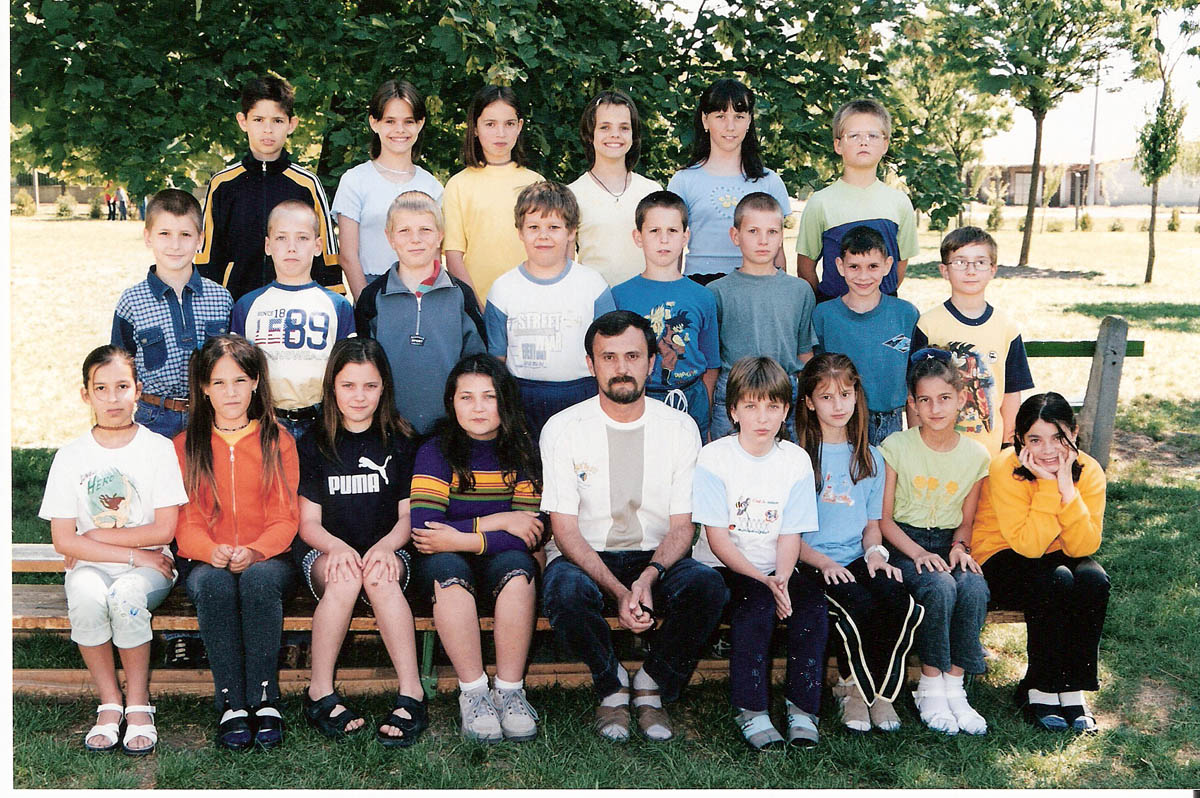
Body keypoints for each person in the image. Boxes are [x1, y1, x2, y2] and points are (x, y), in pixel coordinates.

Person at [540, 310, 727, 743]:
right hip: (586, 554)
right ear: (590, 365)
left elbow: (682, 527)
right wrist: (620, 591)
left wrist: (647, 578)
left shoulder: (679, 428)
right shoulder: (563, 429)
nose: (621, 368)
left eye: (632, 356)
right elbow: (564, 530)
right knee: (564, 592)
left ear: (651, 362)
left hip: (656, 556)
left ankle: (651, 683)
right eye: (608, 357)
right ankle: (611, 685)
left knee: (708, 587)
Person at [39, 346, 186, 755]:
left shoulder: (158, 449)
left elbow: (164, 528)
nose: (113, 398)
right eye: (100, 388)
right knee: (87, 596)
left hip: (152, 569)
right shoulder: (70, 456)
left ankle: (138, 704)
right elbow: (63, 540)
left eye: (122, 386)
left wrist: (94, 538)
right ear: (85, 394)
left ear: (138, 389)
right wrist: (133, 554)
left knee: (125, 596)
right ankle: (109, 702)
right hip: (109, 563)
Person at [691, 356, 829, 749]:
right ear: (733, 411)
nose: (762, 417)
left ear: (786, 410)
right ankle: (751, 709)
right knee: (757, 607)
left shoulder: (795, 460)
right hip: (726, 567)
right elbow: (717, 537)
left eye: (772, 406)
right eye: (751, 406)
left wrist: (781, 579)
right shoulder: (714, 457)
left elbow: (790, 532)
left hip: (778, 566)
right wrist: (763, 582)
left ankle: (803, 708)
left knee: (812, 608)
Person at [294, 338, 427, 747]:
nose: (359, 396)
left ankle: (412, 693)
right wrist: (336, 548)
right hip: (327, 550)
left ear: (384, 387)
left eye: (370, 386)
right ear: (332, 387)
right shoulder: (314, 442)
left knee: (381, 577)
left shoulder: (402, 440)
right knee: (346, 576)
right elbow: (308, 523)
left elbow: (407, 516)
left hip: (389, 546)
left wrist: (386, 547)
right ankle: (319, 690)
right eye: (348, 385)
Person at [173, 335, 299, 750]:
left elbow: (285, 516)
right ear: (204, 388)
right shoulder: (185, 446)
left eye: (240, 381)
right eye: (219, 382)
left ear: (256, 383)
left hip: (269, 557)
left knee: (258, 582)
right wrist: (211, 551)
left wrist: (256, 550)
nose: (231, 392)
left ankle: (264, 698)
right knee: (214, 585)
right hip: (206, 559)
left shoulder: (277, 440)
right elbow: (186, 521)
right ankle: (230, 701)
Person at [409, 354, 543, 743]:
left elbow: (529, 533)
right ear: (451, 402)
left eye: (489, 396)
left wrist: (463, 537)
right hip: (444, 563)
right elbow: (426, 531)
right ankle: (474, 693)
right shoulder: (435, 450)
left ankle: (510, 691)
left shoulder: (523, 449)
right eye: (466, 397)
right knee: (448, 570)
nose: (478, 407)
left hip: (498, 560)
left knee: (519, 568)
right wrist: (499, 521)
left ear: (506, 400)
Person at [795, 353, 923, 733]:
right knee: (858, 605)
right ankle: (852, 690)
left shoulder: (871, 458)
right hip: (812, 562)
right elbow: (788, 536)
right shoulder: (798, 458)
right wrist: (823, 563)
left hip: (856, 557)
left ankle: (879, 693)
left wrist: (875, 555)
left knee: (898, 599)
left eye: (845, 395)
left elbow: (871, 525)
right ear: (809, 402)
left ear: (857, 396)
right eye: (826, 397)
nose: (838, 405)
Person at [973, 392, 1108, 732]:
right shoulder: (1005, 468)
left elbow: (1083, 546)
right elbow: (1029, 546)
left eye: (1058, 437)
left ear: (1074, 433)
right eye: (1035, 439)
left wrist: (1068, 490)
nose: (1047, 450)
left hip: (1056, 553)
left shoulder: (1090, 471)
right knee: (1056, 580)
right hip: (1000, 555)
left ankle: (1072, 688)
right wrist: (1049, 486)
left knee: (1093, 580)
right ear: (1019, 439)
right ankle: (1041, 688)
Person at [879, 349, 991, 735]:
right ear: (912, 404)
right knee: (939, 586)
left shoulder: (976, 456)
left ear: (961, 398)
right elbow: (884, 519)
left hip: (948, 543)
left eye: (944, 398)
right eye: (924, 400)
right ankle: (929, 685)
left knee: (973, 586)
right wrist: (918, 553)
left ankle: (955, 688)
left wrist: (960, 548)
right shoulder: (897, 446)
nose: (935, 408)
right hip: (904, 543)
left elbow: (966, 521)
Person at [484, 181, 616, 441]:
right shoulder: (503, 289)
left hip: (581, 393)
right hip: (523, 396)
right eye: (533, 227)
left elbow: (608, 351)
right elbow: (497, 359)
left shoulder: (593, 285)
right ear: (520, 232)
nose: (543, 236)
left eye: (554, 227)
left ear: (571, 232)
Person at [195, 75, 340, 301]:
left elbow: (327, 253)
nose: (268, 130)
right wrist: (208, 304)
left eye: (277, 121)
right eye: (259, 119)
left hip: (297, 304)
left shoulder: (306, 184)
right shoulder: (223, 184)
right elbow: (208, 255)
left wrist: (333, 298)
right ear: (243, 121)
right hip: (237, 304)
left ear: (292, 124)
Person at [355, 191, 486, 436]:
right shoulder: (373, 297)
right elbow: (362, 369)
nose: (415, 239)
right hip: (389, 428)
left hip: (450, 429)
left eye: (425, 230)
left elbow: (478, 364)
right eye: (404, 231)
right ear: (390, 238)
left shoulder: (460, 295)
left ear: (440, 235)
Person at [112, 188, 233, 439]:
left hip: (211, 416)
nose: (175, 245)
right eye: (164, 234)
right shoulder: (132, 301)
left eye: (185, 234)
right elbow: (119, 370)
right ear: (148, 237)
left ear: (200, 240)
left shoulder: (221, 298)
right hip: (154, 417)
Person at [231, 200, 356, 441]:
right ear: (268, 246)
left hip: (321, 422)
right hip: (266, 421)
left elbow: (347, 372)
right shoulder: (247, 305)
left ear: (318, 246)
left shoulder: (337, 306)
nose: (291, 248)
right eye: (281, 238)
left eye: (302, 238)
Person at [912, 226, 1035, 457]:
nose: (970, 271)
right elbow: (914, 391)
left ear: (993, 269)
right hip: (938, 451)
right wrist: (918, 444)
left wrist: (1008, 446)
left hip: (989, 453)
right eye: (960, 262)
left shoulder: (1007, 327)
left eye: (980, 262)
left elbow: (1011, 394)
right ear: (944, 270)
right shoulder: (928, 325)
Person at [707, 192, 816, 441]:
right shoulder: (716, 292)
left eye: (772, 232)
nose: (763, 240)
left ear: (781, 237)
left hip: (784, 394)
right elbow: (712, 361)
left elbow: (804, 353)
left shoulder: (799, 291)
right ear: (735, 235)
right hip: (734, 393)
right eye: (753, 231)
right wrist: (710, 410)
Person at [612, 190, 719, 439]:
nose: (663, 240)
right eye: (654, 231)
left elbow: (711, 363)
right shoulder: (619, 296)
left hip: (691, 397)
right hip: (641, 398)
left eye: (672, 231)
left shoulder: (703, 296)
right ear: (638, 237)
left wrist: (705, 409)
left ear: (685, 237)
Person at [795, 98, 918, 303]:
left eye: (873, 135)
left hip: (883, 312)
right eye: (853, 136)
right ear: (838, 145)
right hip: (834, 312)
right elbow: (805, 268)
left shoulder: (899, 202)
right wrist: (828, 308)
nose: (864, 142)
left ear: (885, 144)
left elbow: (899, 265)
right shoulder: (820, 202)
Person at [667, 79, 791, 281]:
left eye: (739, 116)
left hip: (755, 284)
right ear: (705, 120)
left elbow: (778, 253)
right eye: (720, 116)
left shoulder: (769, 182)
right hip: (700, 284)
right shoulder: (684, 181)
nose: (730, 126)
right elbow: (674, 250)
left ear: (749, 121)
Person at [332, 79, 444, 301]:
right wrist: (367, 306)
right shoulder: (355, 181)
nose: (399, 130)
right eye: (390, 121)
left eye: (408, 121)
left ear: (420, 123)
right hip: (371, 288)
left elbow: (435, 256)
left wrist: (424, 301)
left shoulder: (432, 186)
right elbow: (348, 256)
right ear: (374, 123)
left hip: (420, 292)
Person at [811, 225, 919, 446]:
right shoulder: (824, 315)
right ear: (840, 266)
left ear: (888, 265)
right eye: (854, 266)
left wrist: (916, 436)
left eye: (873, 266)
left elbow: (915, 380)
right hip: (840, 422)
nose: (863, 276)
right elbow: (814, 375)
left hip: (890, 422)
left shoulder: (905, 314)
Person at [442, 85, 544, 304]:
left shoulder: (535, 183)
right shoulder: (458, 185)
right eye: (490, 124)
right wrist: (476, 306)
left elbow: (549, 247)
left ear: (519, 126)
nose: (501, 133)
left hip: (531, 300)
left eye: (509, 124)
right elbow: (453, 255)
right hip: (480, 302)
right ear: (475, 128)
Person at [568, 90, 663, 286]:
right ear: (590, 134)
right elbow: (566, 265)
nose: (615, 135)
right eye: (605, 127)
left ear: (633, 135)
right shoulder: (572, 194)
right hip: (595, 300)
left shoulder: (651, 191)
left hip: (645, 298)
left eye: (624, 128)